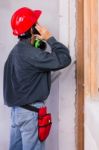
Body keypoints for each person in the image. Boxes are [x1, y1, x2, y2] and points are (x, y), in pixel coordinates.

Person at [3, 7, 71, 150]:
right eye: (37, 24)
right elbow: (64, 59)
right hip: (30, 115)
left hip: (17, 112)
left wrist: (39, 45)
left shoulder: (14, 53)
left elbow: (29, 73)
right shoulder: (32, 55)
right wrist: (50, 38)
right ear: (33, 30)